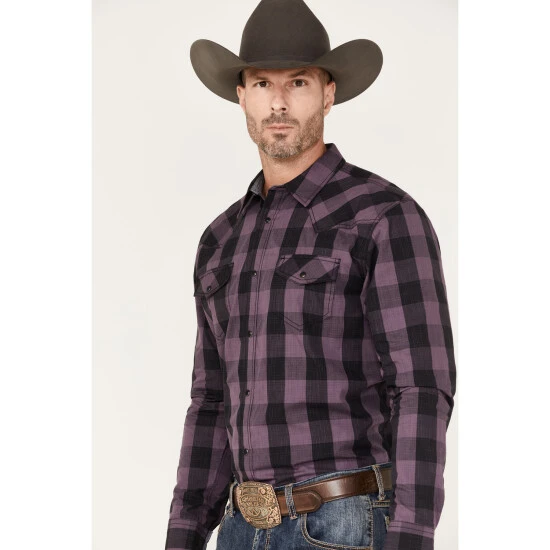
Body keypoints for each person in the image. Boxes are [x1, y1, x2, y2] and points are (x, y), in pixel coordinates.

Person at [165, 1, 456, 549]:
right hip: (239, 529)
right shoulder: (220, 239)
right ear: (242, 96)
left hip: (342, 524)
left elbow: (421, 387)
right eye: (262, 83)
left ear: (328, 93)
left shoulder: (382, 216)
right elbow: (210, 401)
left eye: (297, 82)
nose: (278, 102)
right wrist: (183, 531)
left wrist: (413, 534)